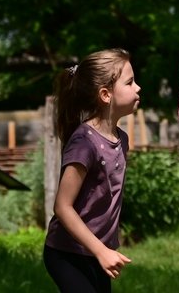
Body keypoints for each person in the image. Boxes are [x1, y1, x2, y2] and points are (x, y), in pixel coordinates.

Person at [43, 48, 141, 293]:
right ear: (106, 95)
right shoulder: (84, 143)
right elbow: (62, 207)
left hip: (96, 251)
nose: (137, 87)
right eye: (129, 82)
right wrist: (101, 251)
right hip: (68, 253)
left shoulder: (122, 139)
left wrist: (102, 250)